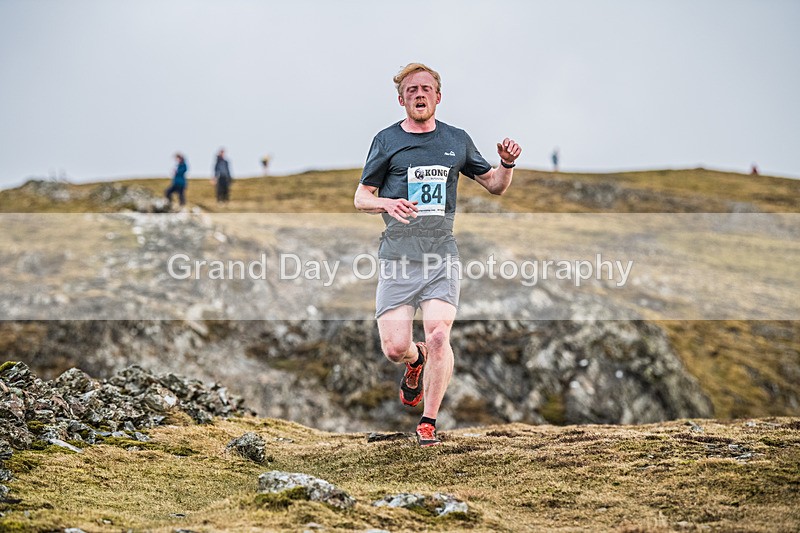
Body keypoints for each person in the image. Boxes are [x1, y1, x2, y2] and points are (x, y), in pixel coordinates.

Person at [354, 63, 522, 447]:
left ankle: (428, 422)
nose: (419, 94)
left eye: (426, 88)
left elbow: (495, 186)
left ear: (438, 96)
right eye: (411, 89)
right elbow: (361, 197)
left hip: (440, 254)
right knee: (395, 347)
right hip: (398, 255)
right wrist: (386, 204)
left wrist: (507, 164)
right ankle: (415, 361)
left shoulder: (456, 140)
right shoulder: (386, 141)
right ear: (401, 99)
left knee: (439, 333)